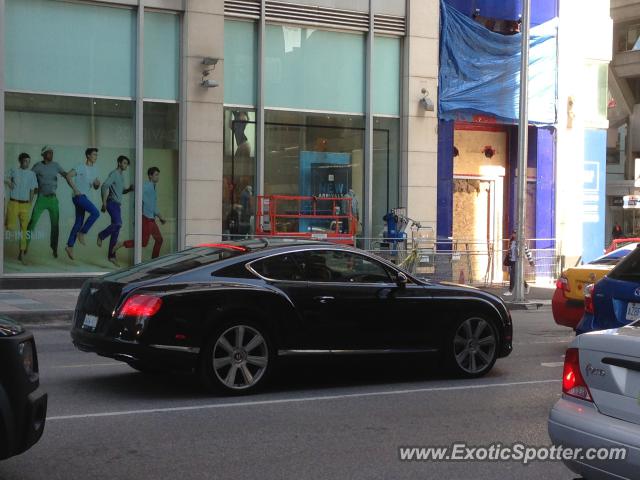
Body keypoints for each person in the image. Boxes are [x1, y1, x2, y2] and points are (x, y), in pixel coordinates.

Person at [26, 145, 72, 259]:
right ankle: (24, 247)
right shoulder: (37, 166)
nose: (51, 154)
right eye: (49, 153)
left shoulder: (56, 165)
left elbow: (65, 175)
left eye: (52, 152)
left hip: (53, 200)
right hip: (41, 198)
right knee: (32, 223)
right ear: (44, 154)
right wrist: (35, 190)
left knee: (55, 226)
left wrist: (74, 174)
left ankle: (54, 249)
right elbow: (28, 179)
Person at [114, 166, 166, 259]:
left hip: (151, 219)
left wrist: (160, 216)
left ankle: (154, 261)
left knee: (159, 240)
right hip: (146, 218)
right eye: (156, 175)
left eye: (158, 175)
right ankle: (122, 243)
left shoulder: (153, 187)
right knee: (143, 243)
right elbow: (139, 195)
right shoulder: (146, 186)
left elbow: (153, 205)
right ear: (150, 176)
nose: (158, 177)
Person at [64, 148, 101, 260]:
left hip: (84, 197)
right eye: (94, 154)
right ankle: (82, 233)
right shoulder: (81, 166)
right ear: (88, 156)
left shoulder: (95, 170)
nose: (96, 156)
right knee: (95, 213)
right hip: (79, 196)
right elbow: (68, 175)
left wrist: (97, 184)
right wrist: (75, 189)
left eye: (96, 155)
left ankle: (70, 246)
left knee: (78, 222)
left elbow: (95, 186)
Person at [97, 156, 134, 266]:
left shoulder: (121, 176)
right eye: (124, 163)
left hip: (117, 205)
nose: (126, 165)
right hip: (111, 203)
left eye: (127, 164)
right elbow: (104, 186)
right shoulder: (114, 173)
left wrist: (129, 189)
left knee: (116, 230)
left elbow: (121, 191)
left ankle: (111, 256)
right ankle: (101, 235)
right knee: (118, 224)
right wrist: (103, 203)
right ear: (119, 163)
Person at [4, 153, 38, 263]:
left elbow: (33, 189)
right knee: (9, 227)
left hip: (25, 205)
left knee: (24, 230)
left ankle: (21, 254)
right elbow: (3, 176)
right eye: (25, 161)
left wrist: (30, 202)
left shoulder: (31, 174)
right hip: (13, 203)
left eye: (29, 161)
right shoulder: (14, 170)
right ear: (20, 161)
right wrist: (9, 182)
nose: (27, 163)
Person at [504, 231, 534, 296]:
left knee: (512, 276)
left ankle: (510, 291)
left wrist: (531, 261)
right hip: (512, 261)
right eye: (513, 233)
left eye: (515, 233)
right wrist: (508, 259)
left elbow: (526, 251)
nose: (514, 234)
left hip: (517, 262)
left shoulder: (521, 242)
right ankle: (526, 286)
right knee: (518, 276)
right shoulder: (511, 242)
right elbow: (509, 252)